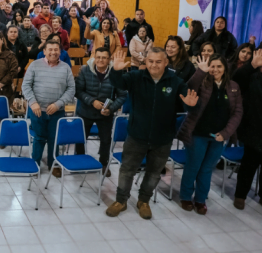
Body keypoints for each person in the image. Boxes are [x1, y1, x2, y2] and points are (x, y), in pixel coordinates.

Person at [106, 48, 198, 219]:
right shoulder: (135, 77)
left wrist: (191, 105)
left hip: (162, 139)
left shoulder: (176, 82)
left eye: (158, 61)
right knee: (127, 170)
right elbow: (118, 83)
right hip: (136, 135)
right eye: (150, 61)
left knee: (154, 172)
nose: (153, 65)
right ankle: (121, 201)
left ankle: (144, 201)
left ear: (165, 63)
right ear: (145, 61)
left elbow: (188, 105)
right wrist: (116, 70)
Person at [176, 55, 242, 214]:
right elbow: (189, 88)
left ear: (225, 68)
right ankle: (185, 196)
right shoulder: (203, 83)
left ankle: (200, 199)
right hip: (197, 133)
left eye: (219, 66)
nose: (215, 70)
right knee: (193, 166)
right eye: (212, 66)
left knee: (206, 169)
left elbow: (237, 113)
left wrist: (225, 134)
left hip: (218, 137)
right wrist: (200, 71)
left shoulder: (233, 87)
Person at [22, 40, 75, 177]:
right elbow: (26, 86)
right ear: (44, 51)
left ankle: (54, 164)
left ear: (60, 51)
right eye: (50, 49)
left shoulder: (66, 68)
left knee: (54, 138)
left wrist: (58, 104)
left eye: (56, 49)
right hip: (37, 110)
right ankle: (35, 163)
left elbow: (71, 89)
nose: (53, 52)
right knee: (39, 138)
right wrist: (33, 102)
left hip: (57, 111)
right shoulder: (34, 65)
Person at [74, 47, 127, 176]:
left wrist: (111, 108)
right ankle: (79, 161)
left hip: (105, 114)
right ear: (94, 57)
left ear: (109, 59)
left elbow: (122, 96)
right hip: (86, 111)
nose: (100, 60)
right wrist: (92, 101)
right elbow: (78, 91)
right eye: (98, 57)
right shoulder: (85, 70)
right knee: (80, 138)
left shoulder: (117, 72)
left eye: (104, 58)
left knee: (106, 140)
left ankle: (104, 164)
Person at [232, 49, 262, 209]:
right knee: (249, 164)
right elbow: (235, 81)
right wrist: (252, 65)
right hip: (253, 127)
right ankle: (240, 196)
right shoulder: (251, 73)